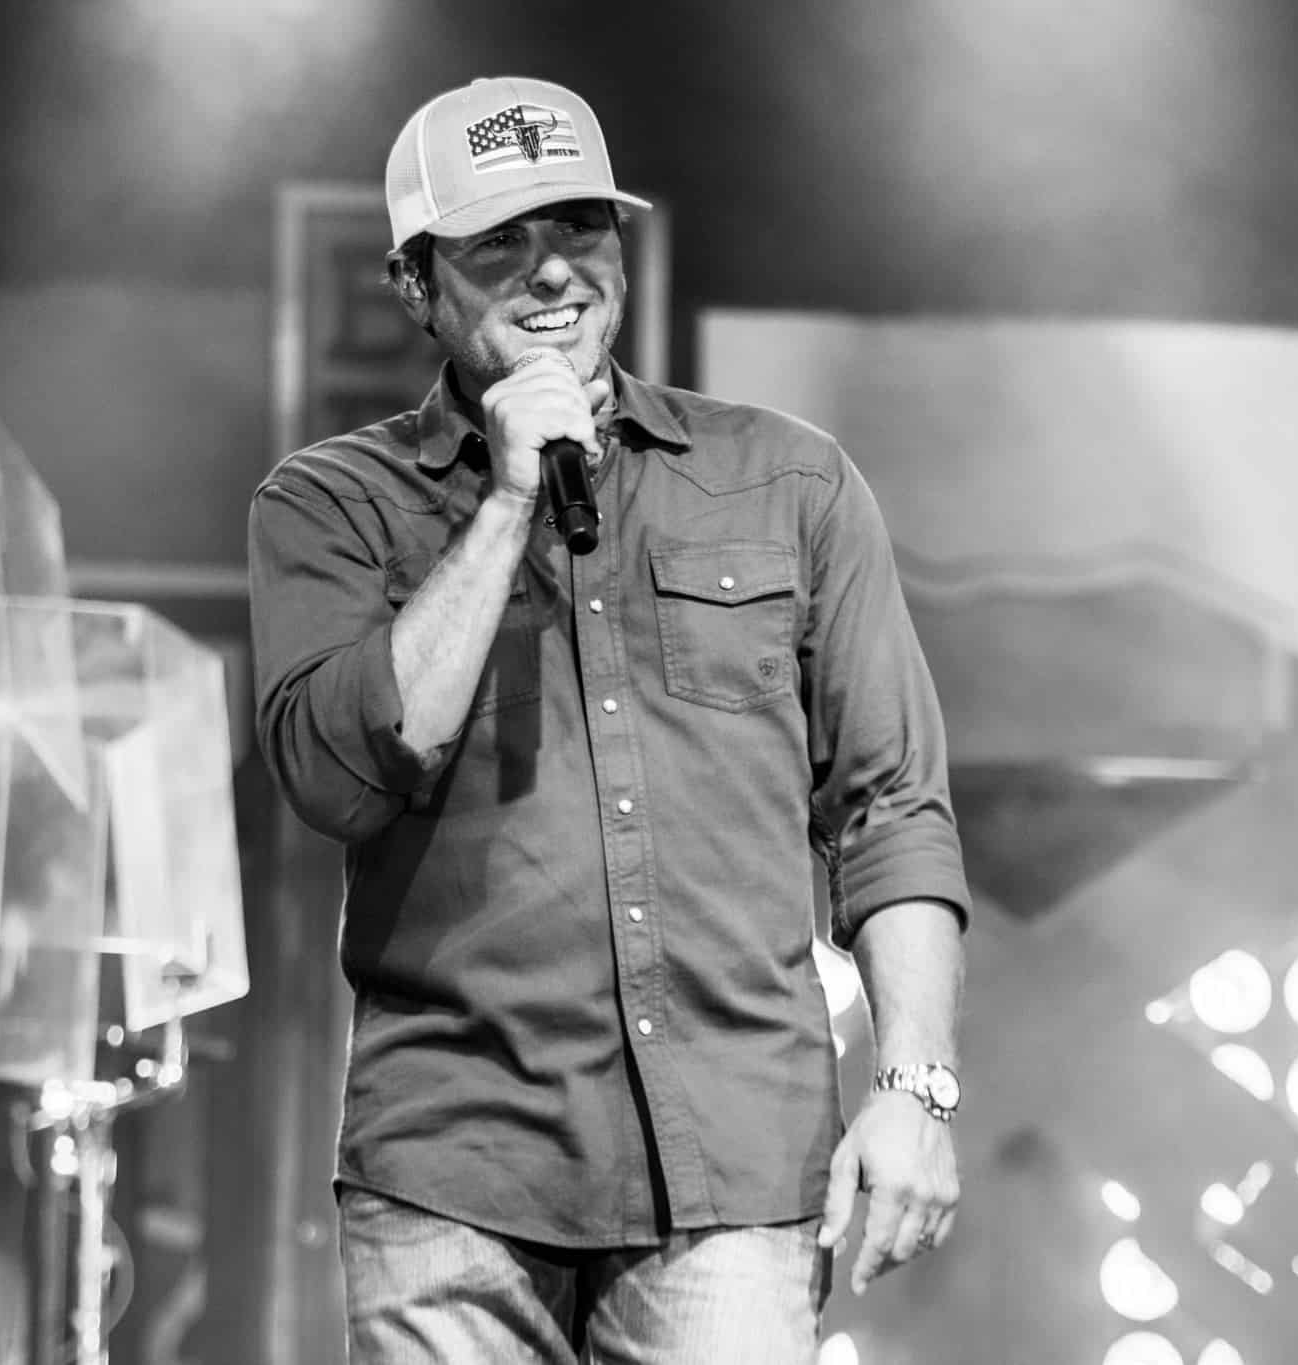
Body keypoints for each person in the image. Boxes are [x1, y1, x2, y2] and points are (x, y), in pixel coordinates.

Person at [247, 75, 970, 1364]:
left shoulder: (789, 481)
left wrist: (915, 1087)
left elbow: (890, 808)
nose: (551, 272)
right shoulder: (332, 503)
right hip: (453, 1171)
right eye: (498, 242)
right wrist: (506, 504)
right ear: (413, 283)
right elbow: (337, 778)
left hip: (736, 1169)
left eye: (580, 227)